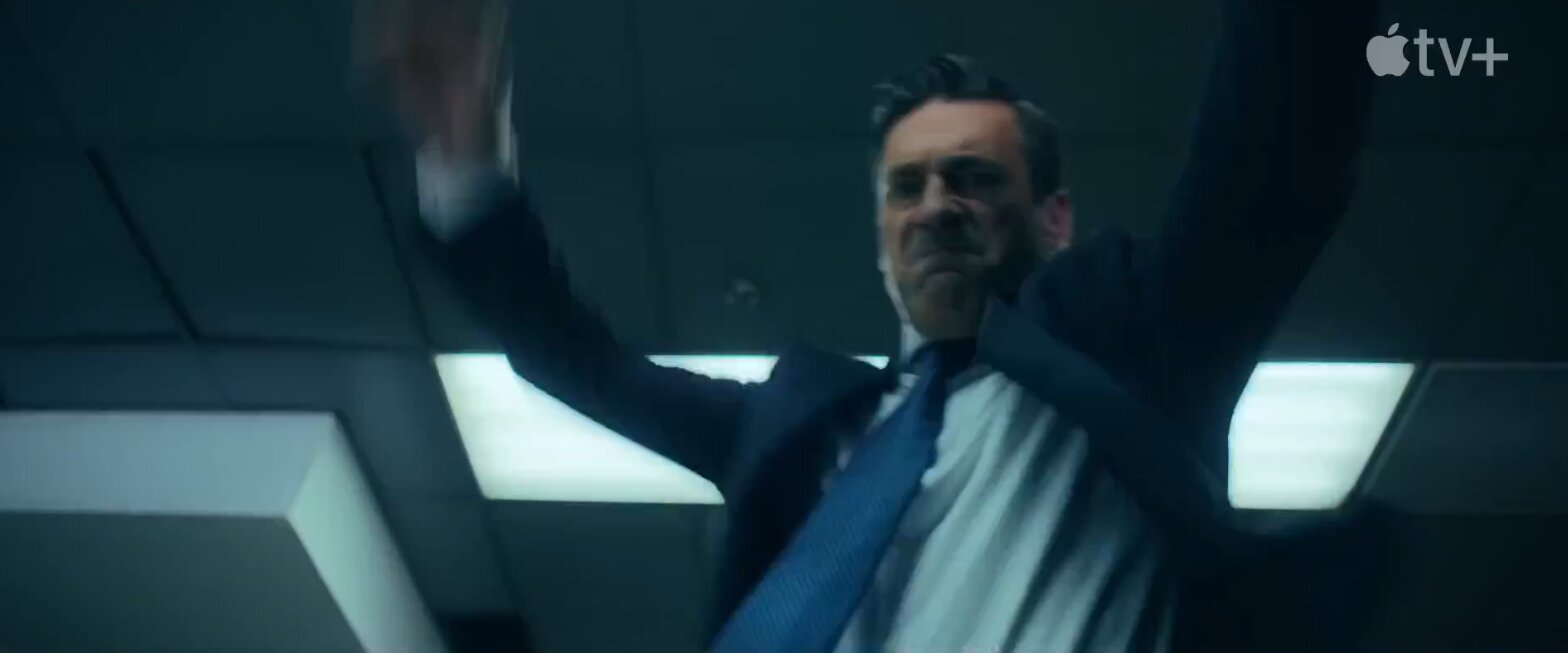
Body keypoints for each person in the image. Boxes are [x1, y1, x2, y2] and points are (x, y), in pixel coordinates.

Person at [363, 0, 1389, 651]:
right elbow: (579, 363)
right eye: (907, 186)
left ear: (1054, 219)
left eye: (975, 178)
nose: (936, 205)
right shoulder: (800, 430)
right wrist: (464, 165)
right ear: (880, 236)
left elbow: (1274, 156)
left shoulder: (1141, 344)